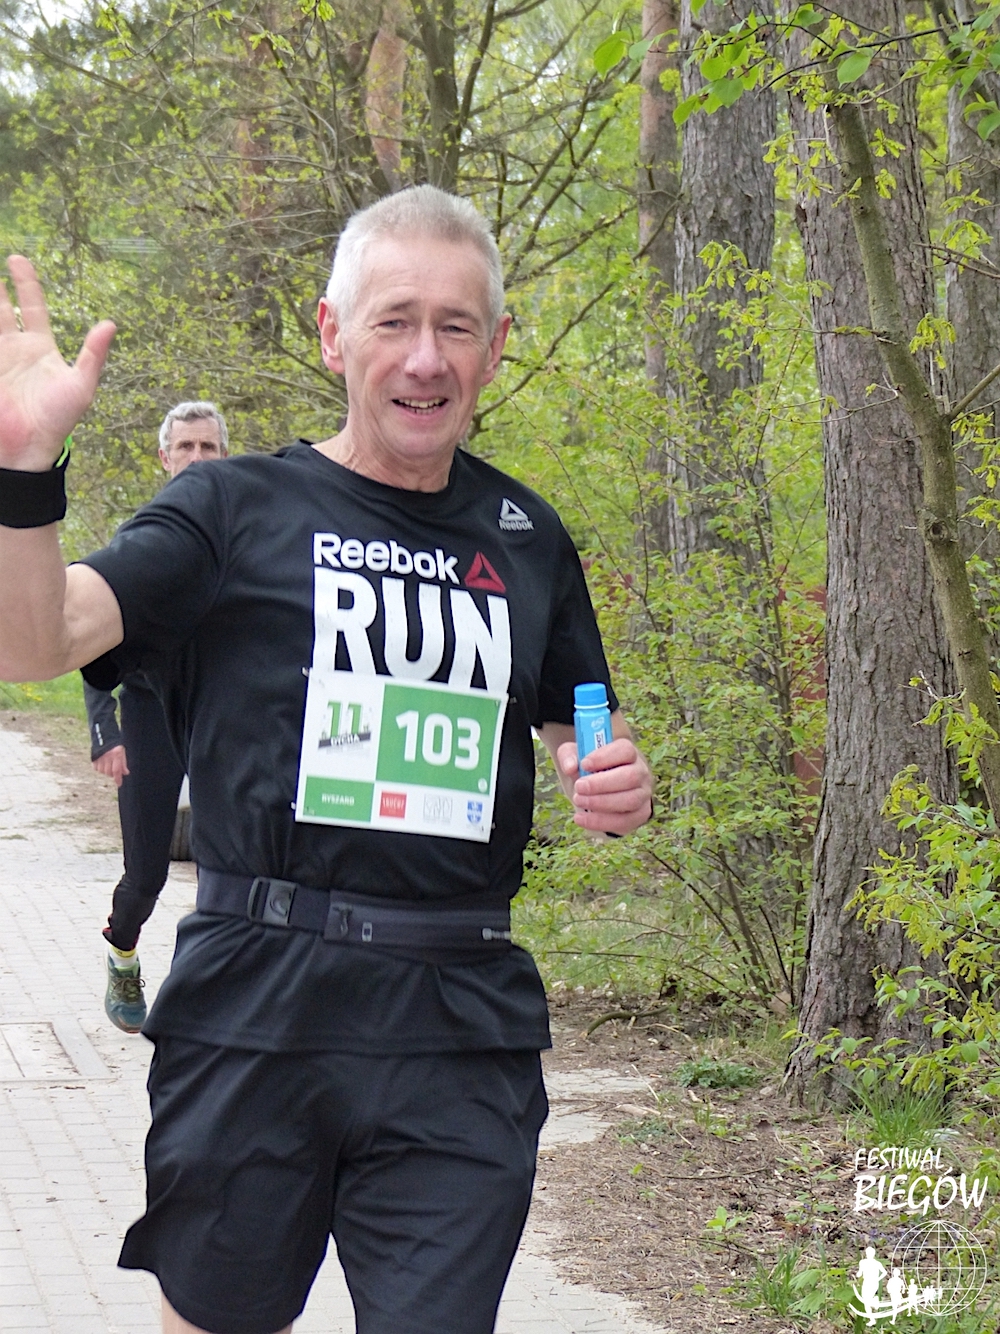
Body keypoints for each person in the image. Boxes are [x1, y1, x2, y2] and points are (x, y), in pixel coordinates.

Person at [0, 185, 653, 1334]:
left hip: (460, 1014)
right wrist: (23, 474)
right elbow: (34, 641)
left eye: (455, 325)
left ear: (497, 345)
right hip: (258, 999)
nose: (425, 357)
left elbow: (579, 731)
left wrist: (611, 781)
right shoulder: (229, 507)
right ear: (331, 333)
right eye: (394, 320)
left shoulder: (528, 535)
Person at [85, 402, 228, 1032]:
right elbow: (93, 636)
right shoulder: (142, 536)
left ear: (225, 456)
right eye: (185, 448)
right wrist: (105, 730)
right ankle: (122, 950)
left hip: (221, 713)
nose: (196, 458)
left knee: (231, 863)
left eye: (207, 447)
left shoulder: (247, 533)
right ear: (164, 457)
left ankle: (205, 987)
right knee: (146, 872)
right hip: (148, 712)